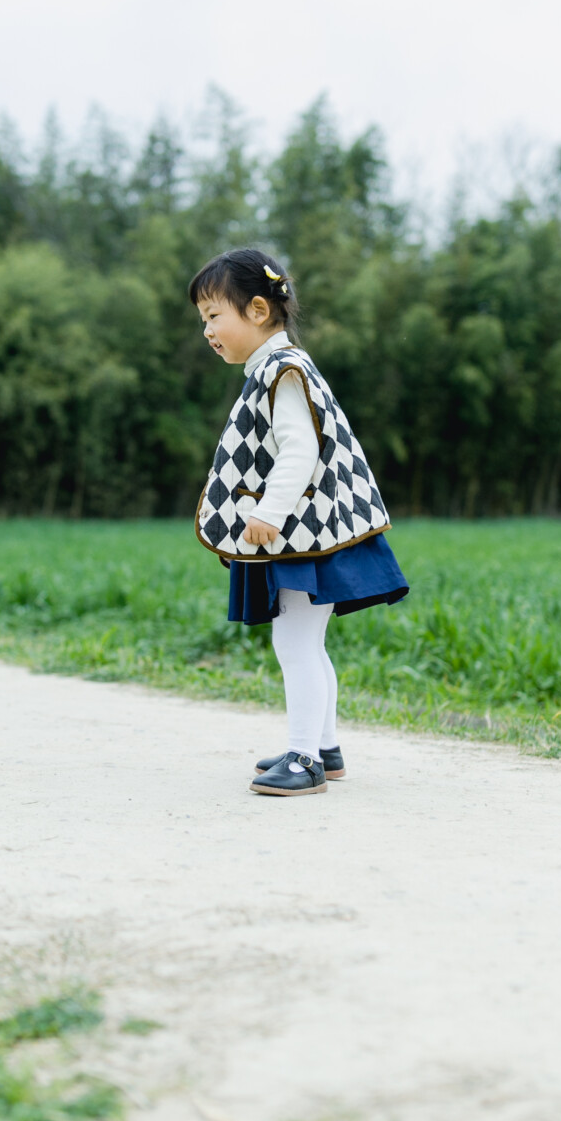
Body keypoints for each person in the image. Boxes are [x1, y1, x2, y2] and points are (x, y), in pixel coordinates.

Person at [190, 247, 409, 797]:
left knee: (296, 643)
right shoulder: (273, 368)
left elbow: (299, 449)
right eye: (204, 321)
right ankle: (324, 747)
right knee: (306, 643)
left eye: (214, 316)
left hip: (302, 537)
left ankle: (306, 757)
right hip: (305, 534)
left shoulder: (283, 370)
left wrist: (267, 511)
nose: (208, 330)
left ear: (258, 311)